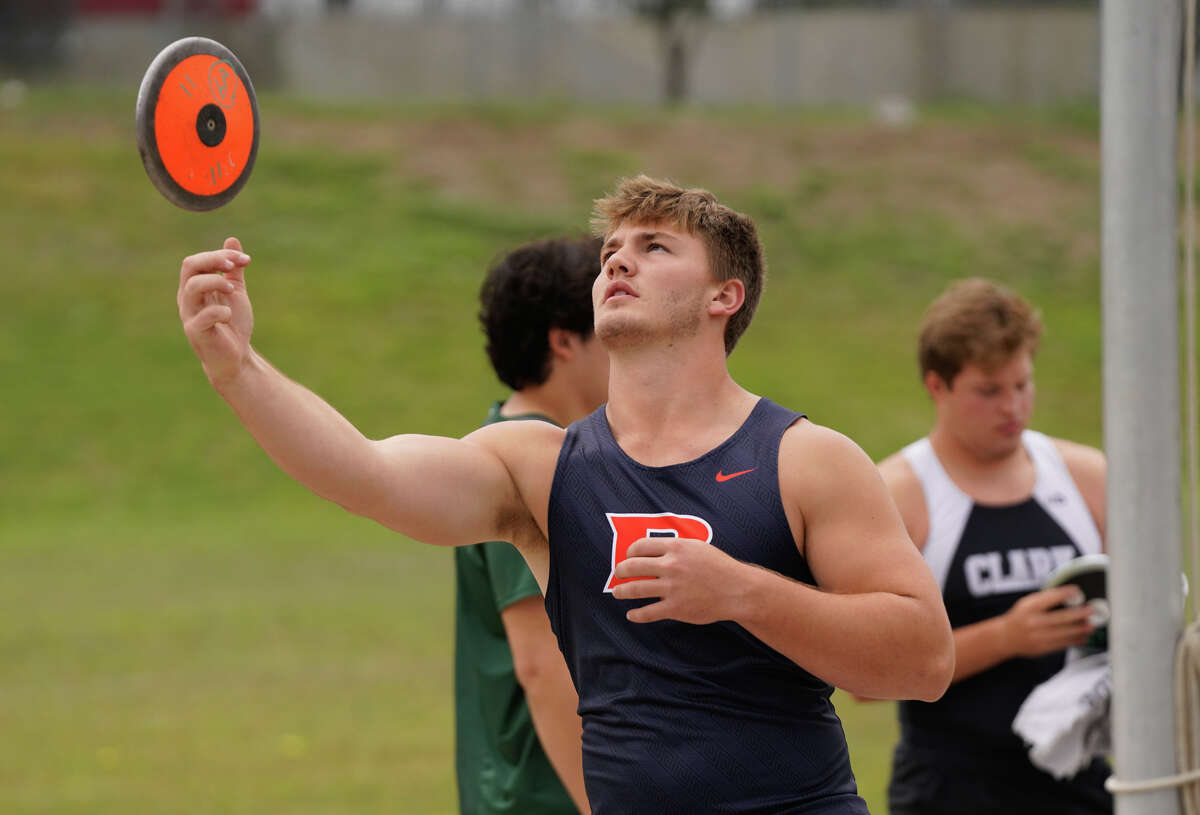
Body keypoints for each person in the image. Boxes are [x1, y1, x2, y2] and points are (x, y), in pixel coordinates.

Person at [175, 175, 954, 814]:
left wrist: (741, 591)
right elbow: (368, 475)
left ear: (725, 295)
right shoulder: (541, 466)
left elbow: (924, 659)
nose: (618, 263)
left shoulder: (805, 460)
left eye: (655, 248)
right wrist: (239, 368)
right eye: (611, 251)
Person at [876, 278, 1112, 815]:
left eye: (1022, 384)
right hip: (949, 789)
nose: (1013, 407)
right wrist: (1007, 637)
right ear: (938, 386)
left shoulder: (1087, 478)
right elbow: (869, 678)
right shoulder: (899, 495)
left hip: (1079, 781)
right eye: (989, 391)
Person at [457, 236, 605, 815]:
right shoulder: (527, 463)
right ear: (565, 341)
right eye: (612, 329)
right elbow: (542, 665)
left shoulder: (523, 443)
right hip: (549, 794)